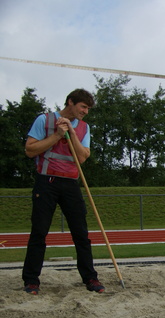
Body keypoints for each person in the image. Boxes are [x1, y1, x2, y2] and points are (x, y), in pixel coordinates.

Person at [22, 89, 105, 295]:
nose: (85, 111)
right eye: (83, 107)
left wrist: (71, 134)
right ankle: (32, 280)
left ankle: (90, 277)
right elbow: (30, 150)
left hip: (71, 183)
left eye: (87, 108)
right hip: (46, 181)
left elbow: (83, 156)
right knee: (39, 232)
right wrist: (58, 135)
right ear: (71, 102)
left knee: (81, 233)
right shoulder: (45, 120)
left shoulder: (84, 128)